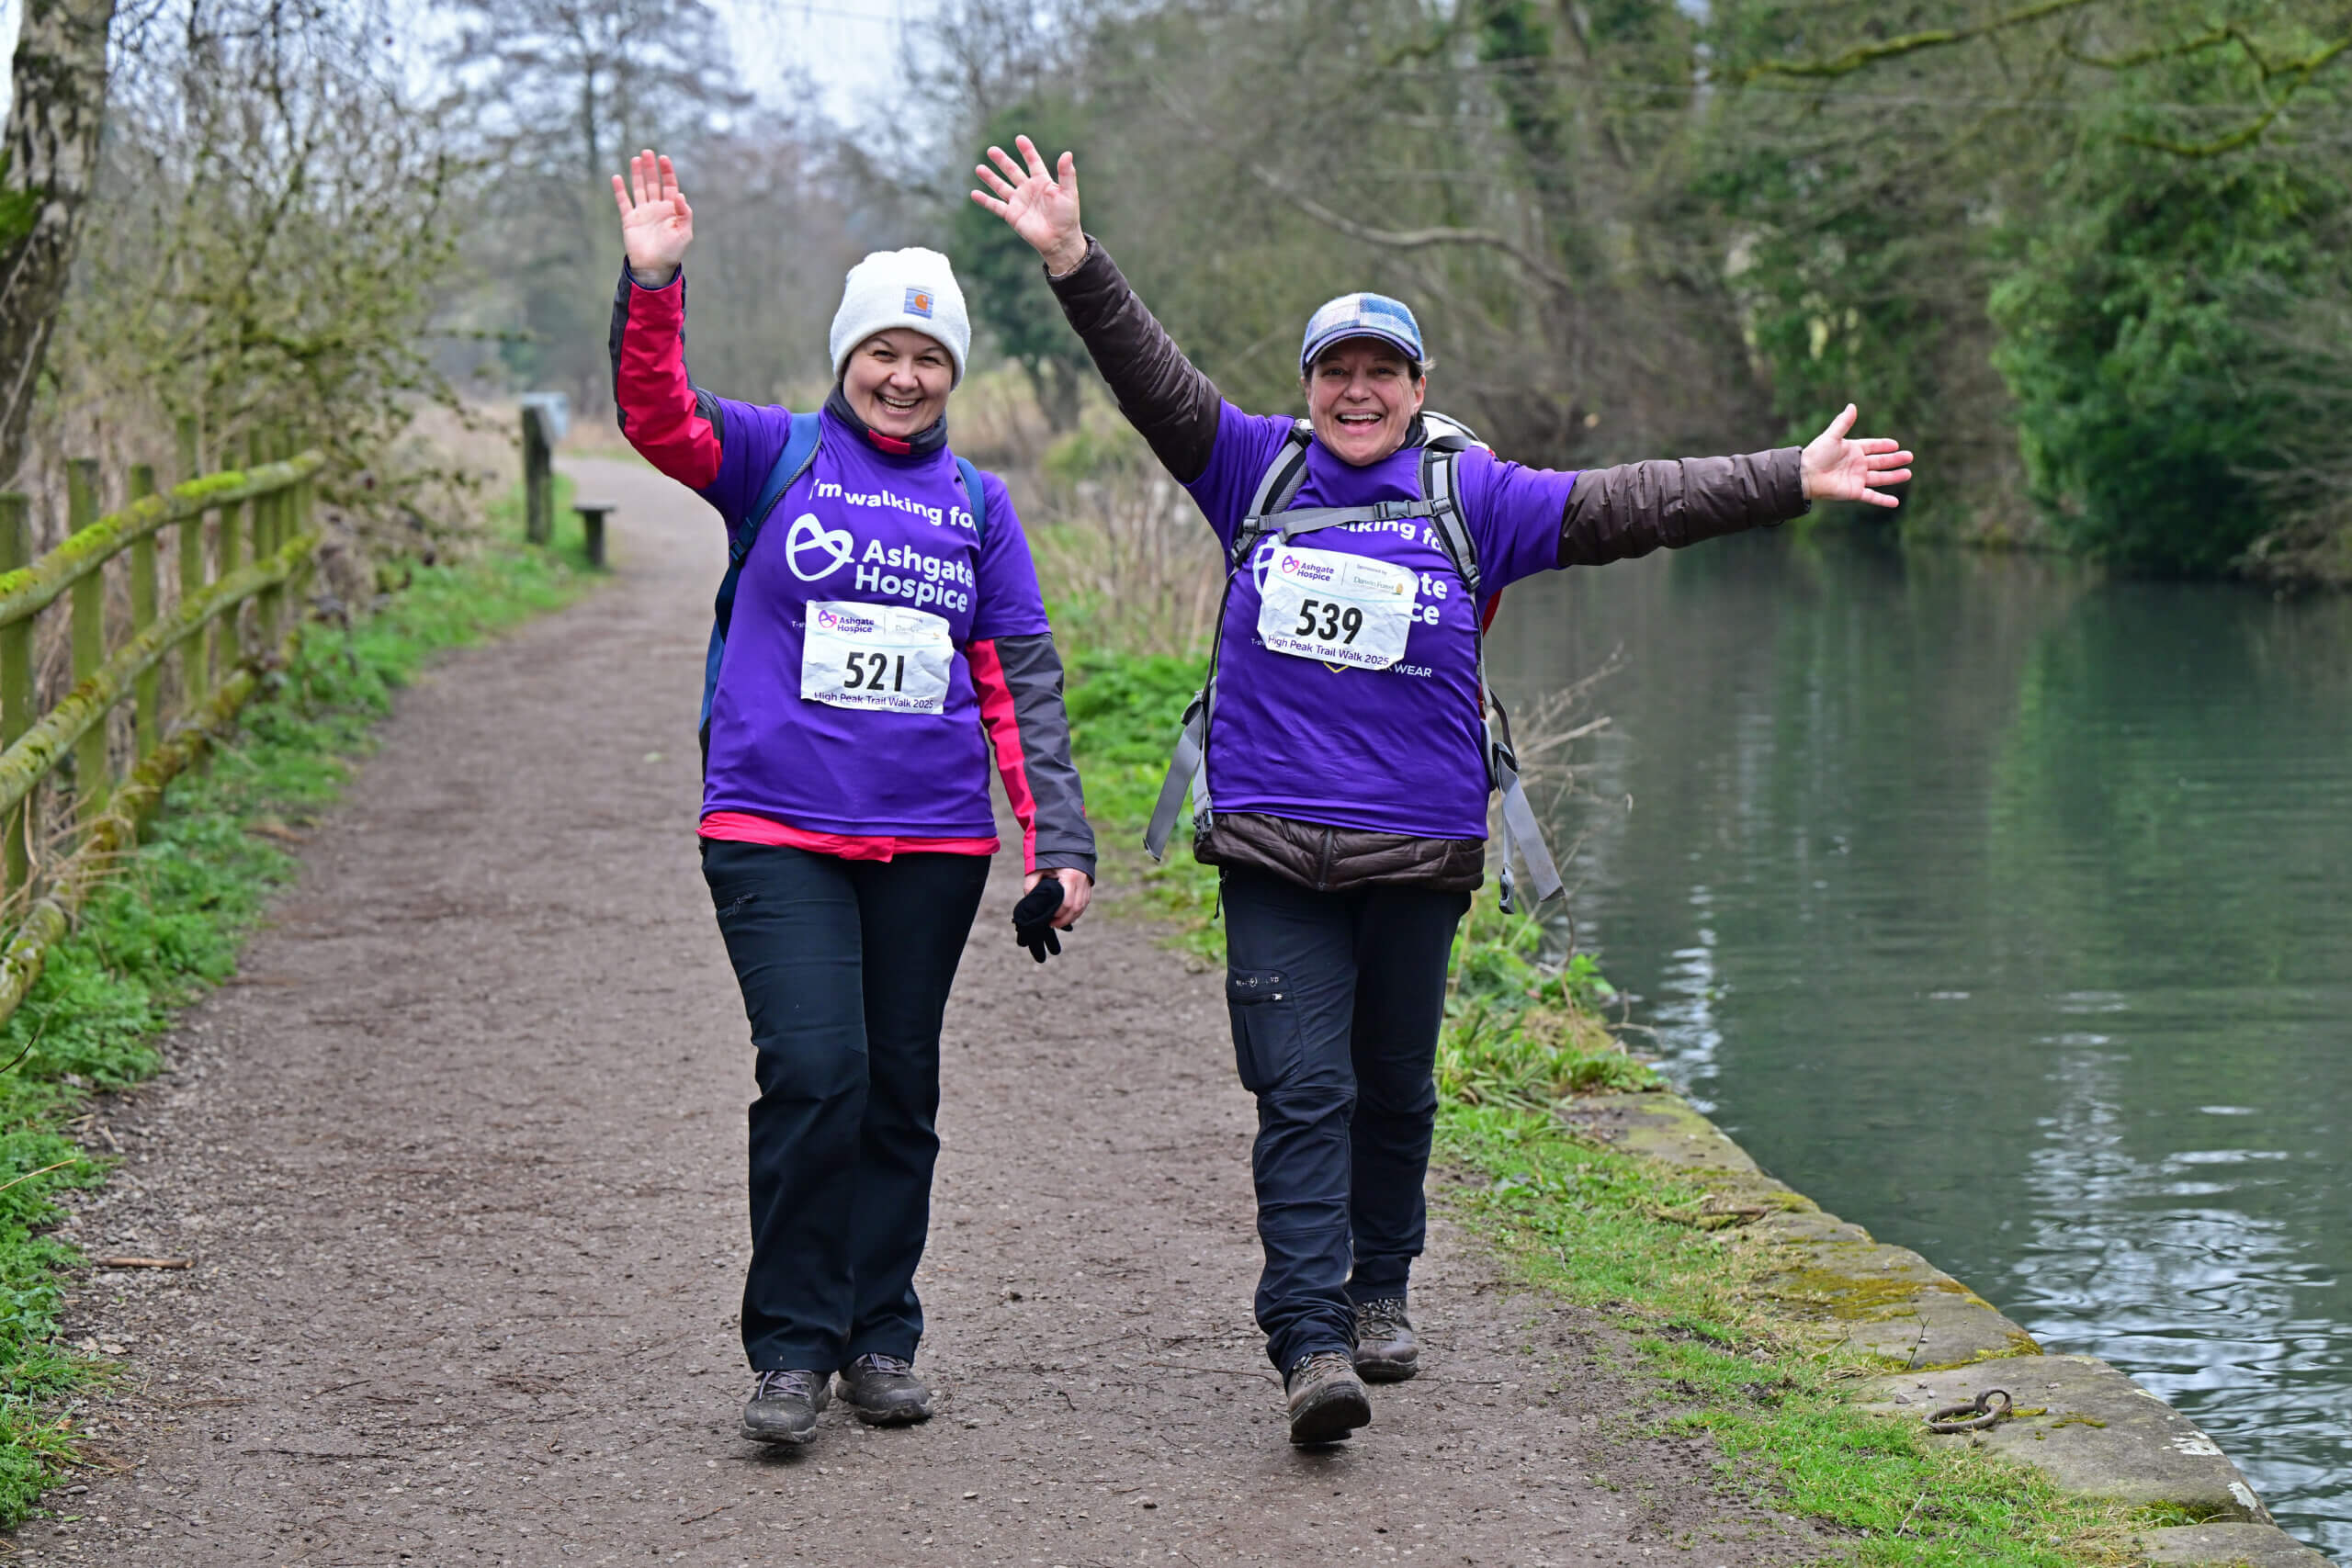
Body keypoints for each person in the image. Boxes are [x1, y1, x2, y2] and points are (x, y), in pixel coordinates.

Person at [972, 136, 1912, 1446]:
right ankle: (1308, 1343)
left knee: (1397, 1092)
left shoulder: (1477, 498)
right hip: (1271, 849)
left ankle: (1382, 1286)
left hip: (1418, 854)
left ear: (1418, 388)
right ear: (1308, 390)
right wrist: (1074, 258)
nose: (1359, 392)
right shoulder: (1254, 469)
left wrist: (1785, 480)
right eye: (1336, 372)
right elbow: (1150, 377)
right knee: (1301, 1094)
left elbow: (1632, 503)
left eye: (1383, 372)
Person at [610, 149, 1095, 1446]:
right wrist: (652, 285)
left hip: (932, 843)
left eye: (929, 357)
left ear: (955, 373)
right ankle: (790, 1349)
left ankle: (881, 1335)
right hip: (773, 830)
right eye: (883, 351)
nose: (904, 374)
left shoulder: (978, 507)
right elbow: (658, 418)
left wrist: (1061, 843)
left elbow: (1017, 683)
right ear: (846, 358)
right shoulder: (771, 456)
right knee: (815, 1069)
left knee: (897, 1091)